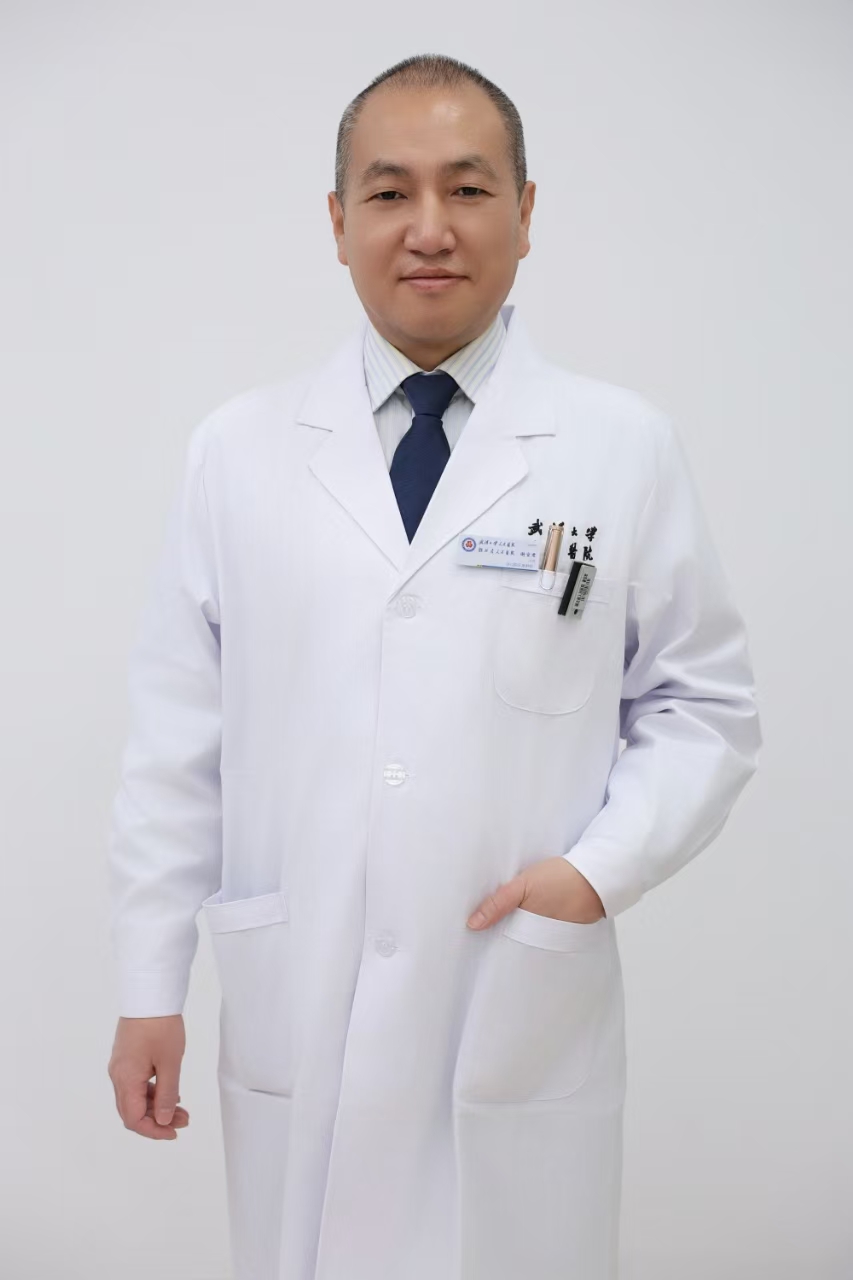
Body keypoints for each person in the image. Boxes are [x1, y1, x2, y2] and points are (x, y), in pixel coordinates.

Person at [106, 52, 761, 1280]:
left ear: (525, 211)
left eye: (466, 188)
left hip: (511, 1002)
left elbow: (703, 706)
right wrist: (151, 982)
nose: (428, 228)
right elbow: (175, 746)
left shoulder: (620, 446)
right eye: (388, 191)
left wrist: (596, 870)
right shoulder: (237, 452)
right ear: (337, 221)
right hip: (298, 991)